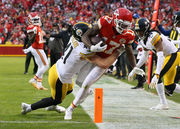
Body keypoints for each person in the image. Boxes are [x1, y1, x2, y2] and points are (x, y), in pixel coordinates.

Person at [21, 22, 121, 115]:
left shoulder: (74, 38)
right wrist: (117, 51)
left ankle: (52, 105)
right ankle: (29, 107)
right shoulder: (84, 50)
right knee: (57, 99)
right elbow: (102, 63)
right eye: (88, 34)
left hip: (59, 69)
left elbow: (86, 40)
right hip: (59, 77)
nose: (91, 35)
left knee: (69, 90)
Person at [64, 8, 145, 120]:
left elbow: (129, 51)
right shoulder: (104, 22)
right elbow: (85, 36)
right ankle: (83, 95)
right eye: (121, 24)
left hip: (105, 60)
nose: (123, 27)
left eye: (126, 25)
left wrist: (134, 67)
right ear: (115, 19)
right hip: (94, 55)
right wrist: (91, 47)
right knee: (80, 82)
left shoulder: (128, 34)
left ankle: (70, 109)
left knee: (86, 84)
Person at [128, 18, 180, 110]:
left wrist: (157, 74)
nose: (138, 33)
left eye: (140, 31)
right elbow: (144, 56)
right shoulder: (142, 40)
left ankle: (163, 103)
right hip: (168, 56)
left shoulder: (153, 36)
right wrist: (134, 69)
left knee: (157, 77)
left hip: (173, 55)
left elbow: (160, 56)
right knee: (169, 86)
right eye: (137, 31)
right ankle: (163, 103)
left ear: (146, 29)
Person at [23, 12, 49, 90]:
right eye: (35, 19)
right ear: (30, 20)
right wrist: (34, 34)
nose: (37, 20)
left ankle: (39, 84)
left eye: (37, 19)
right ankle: (34, 79)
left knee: (41, 66)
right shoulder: (32, 27)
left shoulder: (37, 27)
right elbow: (30, 40)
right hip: (37, 49)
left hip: (37, 48)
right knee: (46, 65)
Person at [157, 11, 180, 85]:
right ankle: (171, 87)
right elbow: (165, 32)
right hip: (174, 52)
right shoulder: (174, 29)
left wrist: (172, 42)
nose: (173, 20)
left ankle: (171, 87)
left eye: (175, 18)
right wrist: (159, 26)